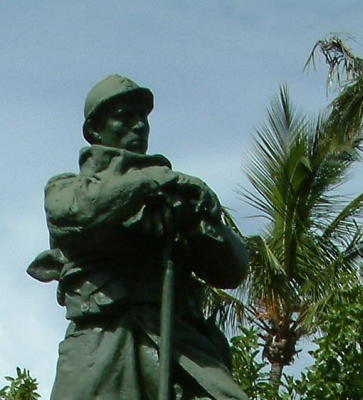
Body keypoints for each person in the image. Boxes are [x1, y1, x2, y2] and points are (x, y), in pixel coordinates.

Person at [28, 75, 249, 400]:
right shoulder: (67, 188)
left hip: (178, 343)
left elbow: (233, 269)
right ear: (96, 131)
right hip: (102, 341)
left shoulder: (176, 196)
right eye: (125, 116)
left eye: (143, 117)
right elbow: (80, 213)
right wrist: (154, 180)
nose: (139, 125)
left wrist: (197, 222)